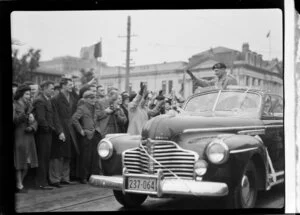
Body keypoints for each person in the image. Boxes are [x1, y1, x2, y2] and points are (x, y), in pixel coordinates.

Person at [49, 77, 79, 187]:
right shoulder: (55, 99)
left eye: (72, 84)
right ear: (63, 85)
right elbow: (55, 117)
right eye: (70, 84)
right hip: (61, 128)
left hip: (71, 129)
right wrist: (59, 131)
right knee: (58, 155)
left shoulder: (73, 97)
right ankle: (55, 179)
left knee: (68, 154)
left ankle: (65, 177)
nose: (72, 86)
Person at [72, 90, 101, 184]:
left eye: (94, 98)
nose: (93, 100)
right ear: (85, 99)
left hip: (95, 134)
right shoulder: (82, 108)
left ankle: (92, 175)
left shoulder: (94, 107)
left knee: (94, 156)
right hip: (87, 135)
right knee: (85, 157)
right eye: (91, 98)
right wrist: (81, 130)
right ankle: (83, 177)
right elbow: (74, 119)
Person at [13, 84, 39, 193]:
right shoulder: (14, 105)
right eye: (27, 94)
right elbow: (14, 121)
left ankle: (20, 183)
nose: (29, 96)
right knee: (19, 162)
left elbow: (35, 121)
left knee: (28, 163)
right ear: (20, 94)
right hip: (19, 135)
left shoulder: (29, 105)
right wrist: (26, 114)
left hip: (29, 136)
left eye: (30, 94)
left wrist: (32, 126)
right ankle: (19, 184)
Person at [32, 81, 56, 190]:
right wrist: (48, 128)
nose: (53, 90)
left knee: (45, 158)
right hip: (43, 134)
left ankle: (44, 181)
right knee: (42, 158)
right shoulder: (40, 100)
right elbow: (41, 118)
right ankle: (41, 183)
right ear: (45, 88)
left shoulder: (47, 99)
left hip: (47, 133)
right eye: (51, 88)